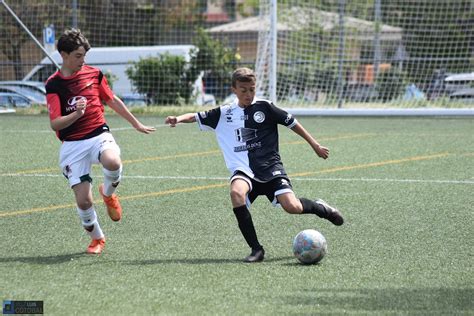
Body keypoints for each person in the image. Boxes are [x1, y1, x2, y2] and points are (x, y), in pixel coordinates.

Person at [165, 67, 343, 263]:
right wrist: (178, 119)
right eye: (244, 90)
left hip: (270, 168)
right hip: (243, 170)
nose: (249, 94)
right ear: (234, 89)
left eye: (252, 89)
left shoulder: (265, 107)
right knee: (236, 193)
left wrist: (315, 145)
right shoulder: (224, 113)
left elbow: (292, 123)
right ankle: (256, 249)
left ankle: (322, 209)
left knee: (292, 207)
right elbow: (195, 116)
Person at [46, 29, 156, 254]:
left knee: (113, 162)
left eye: (84, 56)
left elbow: (112, 100)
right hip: (72, 145)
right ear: (64, 55)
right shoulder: (53, 85)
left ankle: (107, 193)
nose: (82, 61)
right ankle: (97, 238)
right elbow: (55, 124)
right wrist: (76, 115)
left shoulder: (94, 74)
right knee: (84, 202)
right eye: (77, 56)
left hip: (98, 134)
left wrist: (136, 123)